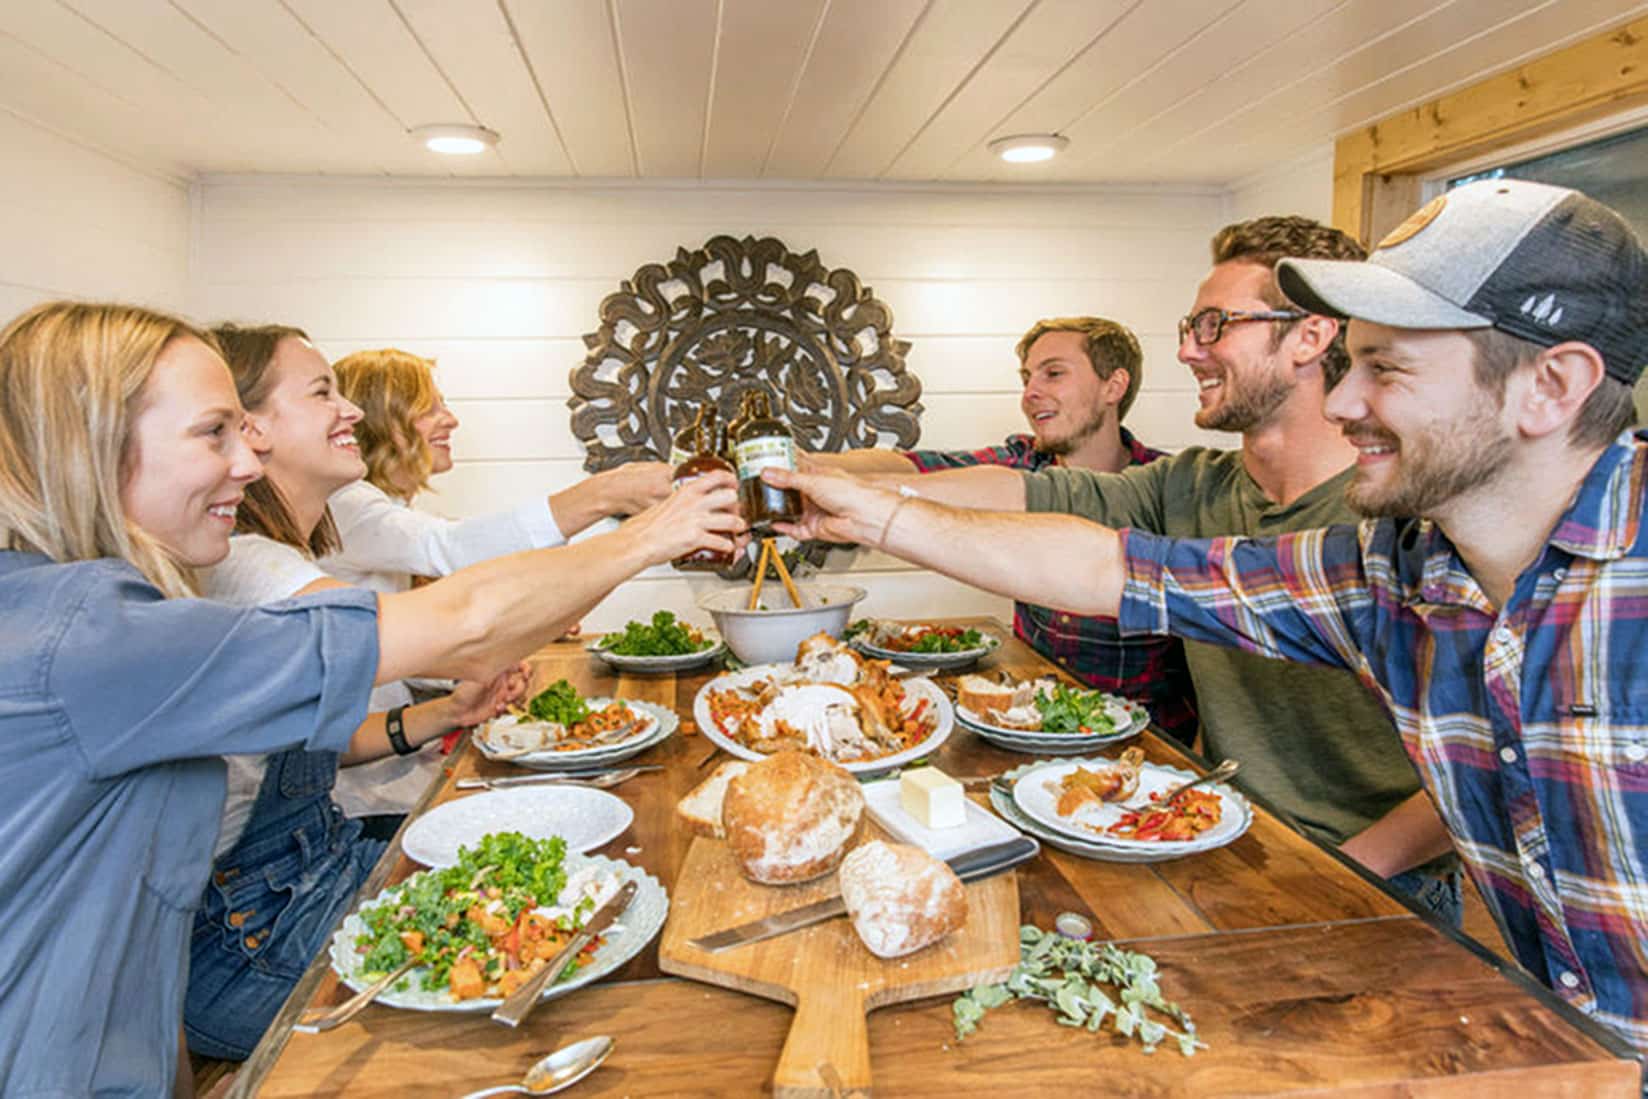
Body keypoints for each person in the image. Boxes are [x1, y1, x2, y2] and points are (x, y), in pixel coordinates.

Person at [763, 178, 1648, 1054]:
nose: (1343, 400)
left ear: (1552, 385)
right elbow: (1115, 565)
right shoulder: (1388, 572)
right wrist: (869, 511)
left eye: (1387, 367)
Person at [0, 301, 742, 1094]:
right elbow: (461, 618)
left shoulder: (87, 611)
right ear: (91, 444)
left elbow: (141, 938)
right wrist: (650, 531)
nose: (246, 462)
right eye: (213, 432)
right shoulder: (93, 637)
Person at [860, 218, 1461, 921]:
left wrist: (1337, 874)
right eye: (1189, 326)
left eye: (1213, 325)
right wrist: (851, 498)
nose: (1185, 350)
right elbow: (1026, 493)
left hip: (1381, 885)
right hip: (1223, 835)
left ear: (1310, 335)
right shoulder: (1192, 486)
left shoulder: (1409, 515)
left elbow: (1485, 769)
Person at [181, 325, 524, 1060]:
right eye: (322, 391)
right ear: (253, 429)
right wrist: (640, 529)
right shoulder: (249, 566)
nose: (352, 413)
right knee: (502, 1010)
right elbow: (466, 620)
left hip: (310, 876)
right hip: (249, 937)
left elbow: (314, 746)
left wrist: (441, 713)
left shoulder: (276, 554)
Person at [321, 345, 670, 830]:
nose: (451, 420)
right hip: (372, 803)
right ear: (383, 422)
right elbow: (452, 549)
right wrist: (606, 492)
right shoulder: (345, 506)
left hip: (399, 775)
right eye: (430, 408)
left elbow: (404, 643)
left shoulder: (381, 512)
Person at [810, 317, 1198, 744]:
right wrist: (807, 467)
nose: (1030, 393)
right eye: (1027, 378)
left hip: (1147, 744)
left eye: (1053, 373)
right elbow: (906, 466)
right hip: (1032, 726)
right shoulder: (1020, 462)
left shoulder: (1169, 489)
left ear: (1113, 385)